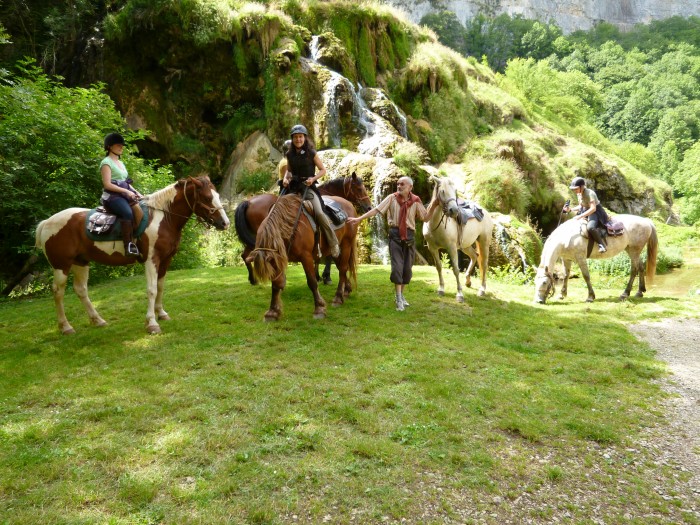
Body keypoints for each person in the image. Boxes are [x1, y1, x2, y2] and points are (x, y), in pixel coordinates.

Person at [347, 176, 438, 311]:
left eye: (402, 184)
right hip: (395, 236)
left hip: (409, 237)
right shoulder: (391, 198)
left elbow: (425, 218)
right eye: (398, 184)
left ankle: (401, 295)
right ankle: (399, 298)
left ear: (410, 187)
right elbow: (376, 210)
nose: (399, 186)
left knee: (407, 270)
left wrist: (435, 205)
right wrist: (358, 218)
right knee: (397, 268)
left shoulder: (416, 201)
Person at [282, 125, 340, 258]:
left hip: (308, 187)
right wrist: (286, 179)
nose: (298, 139)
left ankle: (333, 243)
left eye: (300, 137)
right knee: (278, 207)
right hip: (294, 187)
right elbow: (289, 171)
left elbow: (323, 170)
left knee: (319, 213)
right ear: (292, 139)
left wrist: (312, 179)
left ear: (305, 138)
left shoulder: (311, 153)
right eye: (295, 137)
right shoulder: (289, 154)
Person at [100, 133, 143, 256]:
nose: (121, 147)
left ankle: (133, 236)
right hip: (112, 197)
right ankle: (128, 246)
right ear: (109, 146)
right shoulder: (106, 162)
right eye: (118, 145)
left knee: (141, 209)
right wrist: (126, 191)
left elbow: (126, 182)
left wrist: (137, 192)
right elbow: (107, 184)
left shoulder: (121, 163)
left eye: (122, 145)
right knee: (127, 213)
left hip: (124, 194)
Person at [563, 176, 609, 253]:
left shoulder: (590, 193)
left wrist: (581, 216)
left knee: (590, 227)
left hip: (596, 212)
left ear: (582, 187)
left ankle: (602, 245)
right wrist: (570, 209)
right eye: (574, 189)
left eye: (576, 189)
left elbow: (593, 208)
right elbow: (581, 205)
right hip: (586, 210)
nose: (575, 191)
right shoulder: (579, 194)